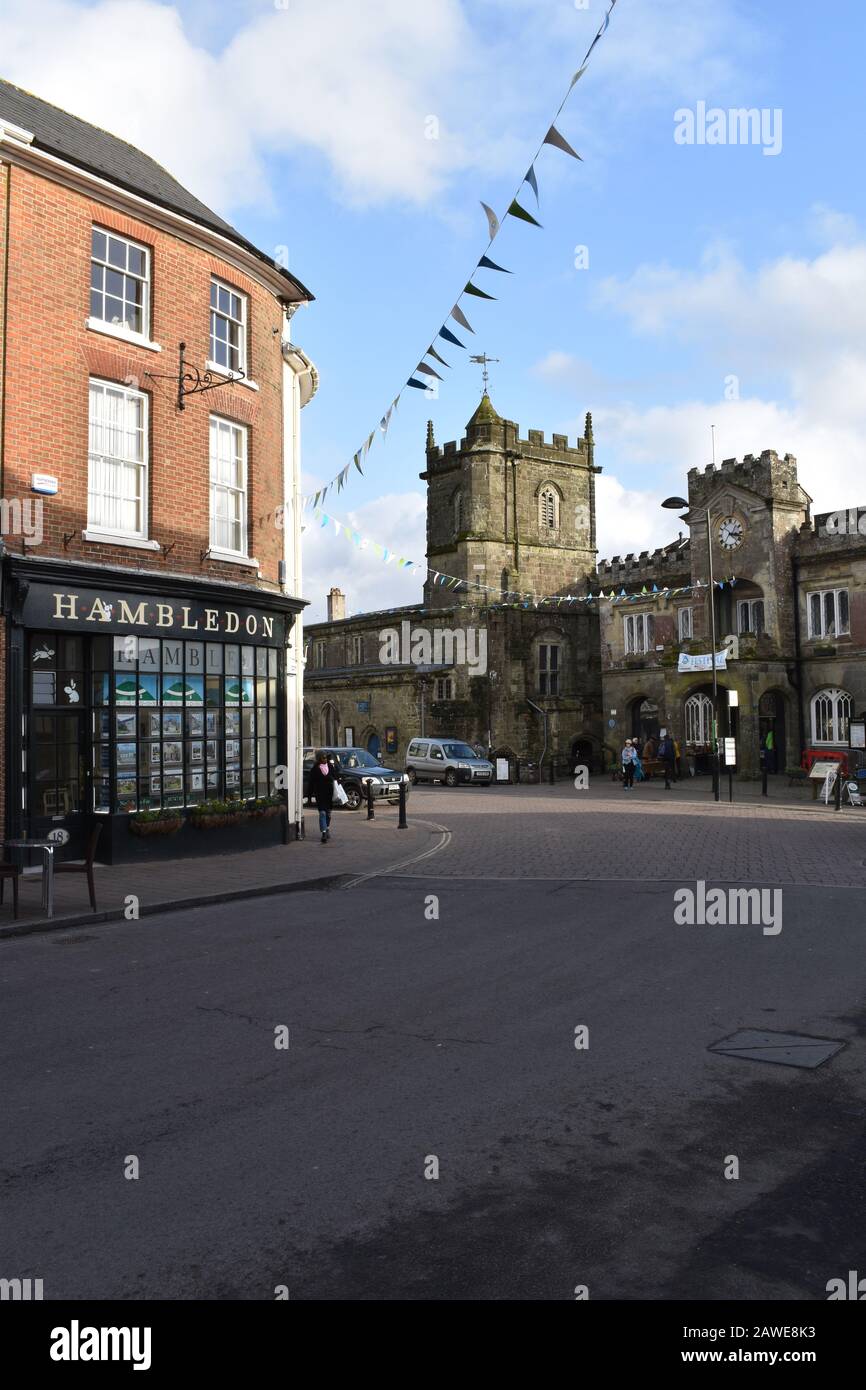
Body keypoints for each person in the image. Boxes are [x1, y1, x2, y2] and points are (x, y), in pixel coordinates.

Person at [309, 749, 338, 843]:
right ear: (319, 759)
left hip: (329, 794)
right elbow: (311, 783)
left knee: (328, 814)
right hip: (320, 794)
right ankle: (324, 833)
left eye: (326, 757)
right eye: (323, 758)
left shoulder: (330, 766)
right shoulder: (315, 769)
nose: (325, 759)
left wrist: (333, 779)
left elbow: (336, 778)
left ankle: (327, 827)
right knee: (322, 813)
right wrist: (308, 795)